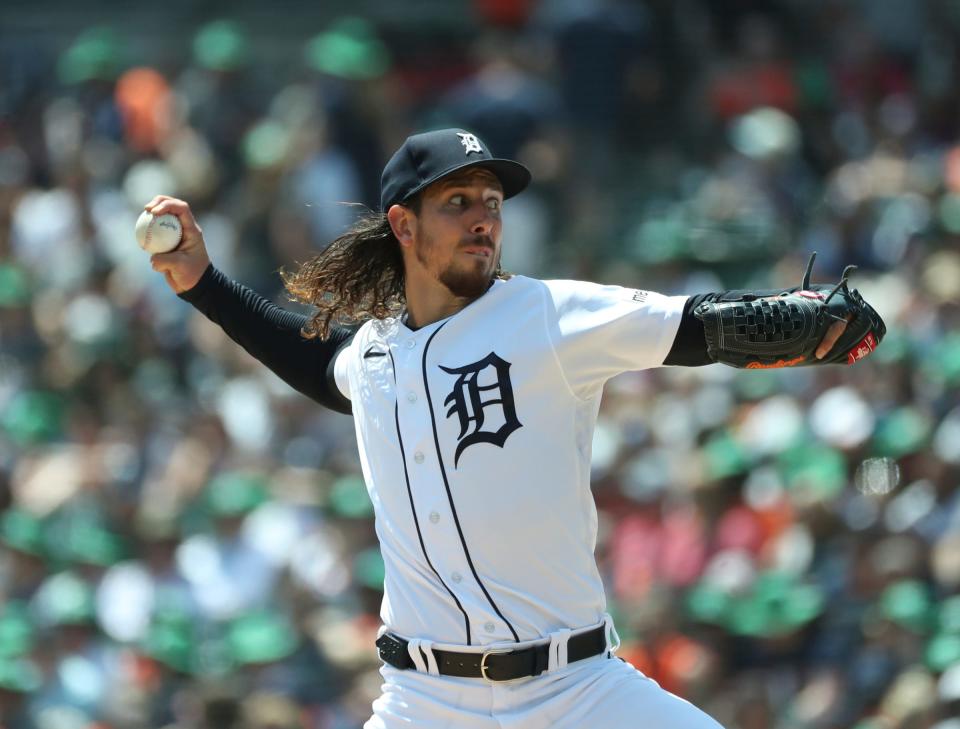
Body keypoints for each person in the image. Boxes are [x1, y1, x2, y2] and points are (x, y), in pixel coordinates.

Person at [146, 128, 882, 728]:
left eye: (492, 202)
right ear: (402, 223)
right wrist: (205, 283)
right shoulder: (374, 356)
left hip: (578, 693)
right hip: (423, 701)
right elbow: (315, 364)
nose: (483, 218)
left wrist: (807, 323)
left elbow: (692, 325)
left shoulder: (545, 316)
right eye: (458, 201)